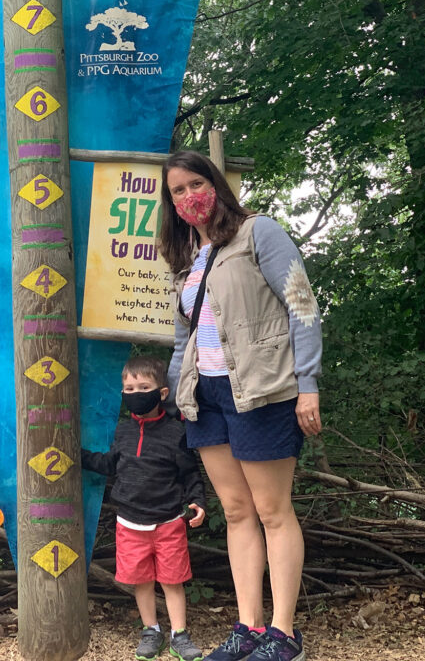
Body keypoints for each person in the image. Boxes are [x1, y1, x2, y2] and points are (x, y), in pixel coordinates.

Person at [160, 151, 322, 661]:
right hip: (205, 398)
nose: (189, 196)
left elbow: (301, 303)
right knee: (235, 511)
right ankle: (248, 628)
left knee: (273, 511)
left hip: (262, 390)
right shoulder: (186, 257)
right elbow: (184, 339)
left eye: (195, 184)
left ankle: (283, 633)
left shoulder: (259, 233)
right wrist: (175, 390)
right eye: (178, 191)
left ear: (216, 183)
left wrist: (308, 382)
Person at [82, 355, 206, 661]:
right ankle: (151, 630)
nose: (136, 393)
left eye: (143, 387)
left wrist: (198, 502)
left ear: (162, 393)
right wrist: (76, 455)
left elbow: (190, 472)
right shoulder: (122, 431)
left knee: (172, 580)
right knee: (141, 581)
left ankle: (180, 634)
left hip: (169, 522)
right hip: (129, 522)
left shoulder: (177, 432)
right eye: (129, 388)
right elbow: (110, 464)